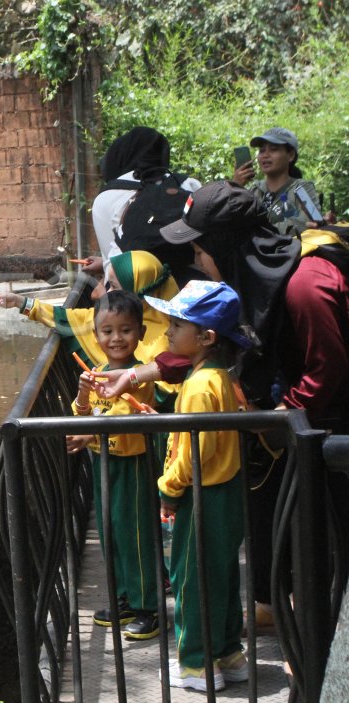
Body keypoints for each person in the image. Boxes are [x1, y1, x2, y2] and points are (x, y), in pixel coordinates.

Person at [101, 180, 349, 633]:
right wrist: (135, 375)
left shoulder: (306, 286)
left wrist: (277, 418)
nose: (195, 261)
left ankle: (321, 639)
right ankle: (274, 606)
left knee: (323, 530)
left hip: (327, 426)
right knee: (269, 511)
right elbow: (199, 347)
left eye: (199, 249)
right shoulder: (249, 279)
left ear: (225, 245)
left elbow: (326, 370)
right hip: (284, 424)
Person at [143, 280, 253, 691]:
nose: (168, 331)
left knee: (192, 581)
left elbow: (194, 451)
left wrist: (169, 488)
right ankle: (229, 654)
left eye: (176, 325)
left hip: (203, 496)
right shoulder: (219, 378)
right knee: (220, 575)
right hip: (226, 494)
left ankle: (195, 666)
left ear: (206, 337)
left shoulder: (198, 386)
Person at [68, 289, 160, 639]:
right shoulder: (98, 372)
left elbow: (122, 419)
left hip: (132, 465)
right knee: (110, 534)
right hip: (103, 465)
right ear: (96, 335)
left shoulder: (139, 376)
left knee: (134, 534)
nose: (116, 338)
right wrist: (82, 392)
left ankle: (148, 607)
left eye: (125, 329)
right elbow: (82, 415)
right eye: (107, 331)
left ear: (140, 333)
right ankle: (123, 597)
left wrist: (89, 437)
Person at [0, 250, 181, 372]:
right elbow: (71, 317)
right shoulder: (114, 318)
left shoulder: (166, 343)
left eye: (113, 286)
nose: (104, 293)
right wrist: (22, 303)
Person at [89, 127, 201, 279]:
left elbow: (112, 260)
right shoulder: (189, 184)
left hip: (136, 292)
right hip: (192, 286)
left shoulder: (105, 198)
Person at [232, 127, 324, 236]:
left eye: (273, 149)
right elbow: (232, 224)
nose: (265, 155)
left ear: (290, 155)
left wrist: (258, 232)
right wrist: (235, 187)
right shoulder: (254, 190)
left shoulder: (302, 188)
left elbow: (307, 223)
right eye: (262, 150)